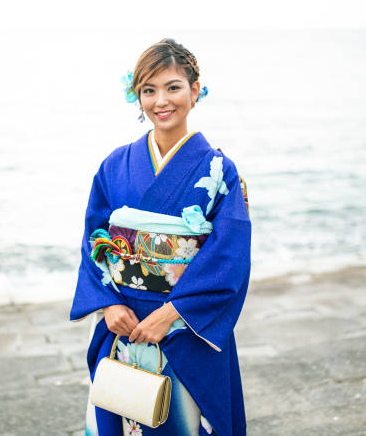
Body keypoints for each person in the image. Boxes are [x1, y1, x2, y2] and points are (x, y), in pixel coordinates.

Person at [69, 38, 251, 436]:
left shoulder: (220, 170)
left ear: (195, 90)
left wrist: (171, 314)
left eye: (173, 87)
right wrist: (107, 305)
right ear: (136, 96)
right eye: (148, 90)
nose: (161, 101)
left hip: (185, 328)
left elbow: (229, 257)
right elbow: (94, 239)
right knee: (120, 416)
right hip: (125, 324)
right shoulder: (115, 165)